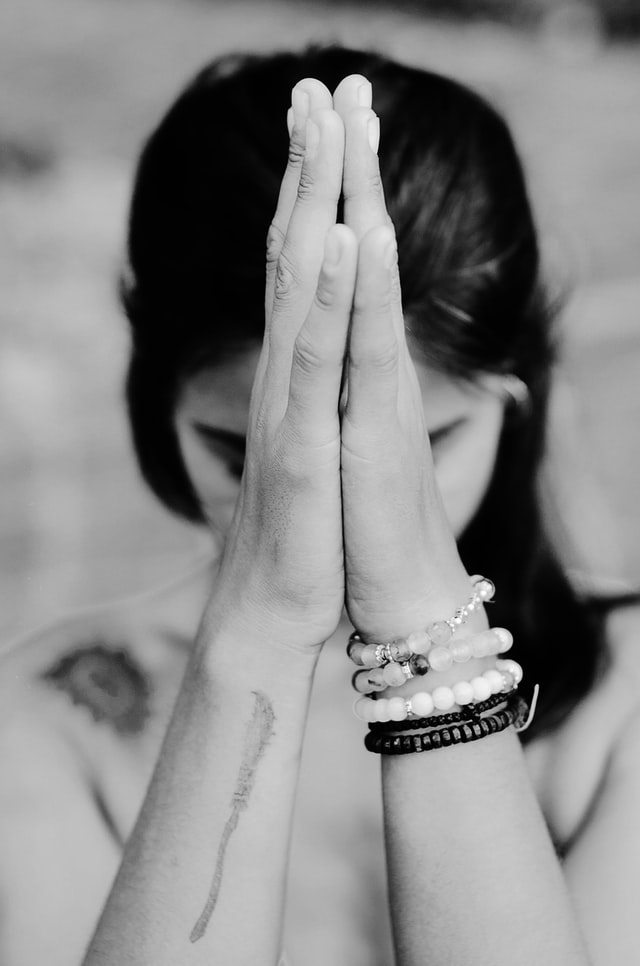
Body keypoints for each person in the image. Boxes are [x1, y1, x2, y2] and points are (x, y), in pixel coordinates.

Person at [1, 44, 639, 966]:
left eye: (422, 451)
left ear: (514, 398)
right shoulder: (51, 719)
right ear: (159, 411)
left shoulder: (621, 699)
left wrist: (427, 633)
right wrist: (262, 626)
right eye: (246, 455)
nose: (336, 508)